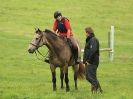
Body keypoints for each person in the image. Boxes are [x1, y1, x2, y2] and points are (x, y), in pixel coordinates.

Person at [83, 26, 103, 93]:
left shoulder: (93, 40)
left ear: (88, 32)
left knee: (89, 77)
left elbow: (93, 51)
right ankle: (99, 90)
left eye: (85, 32)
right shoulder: (90, 39)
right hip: (89, 62)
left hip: (92, 62)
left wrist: (89, 61)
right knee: (92, 77)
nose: (85, 34)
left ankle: (96, 88)